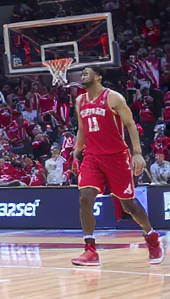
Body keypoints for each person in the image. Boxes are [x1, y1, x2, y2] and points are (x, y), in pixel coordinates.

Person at [70, 67, 162, 266]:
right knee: (85, 197)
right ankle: (90, 249)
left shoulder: (113, 98)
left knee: (128, 205)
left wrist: (137, 153)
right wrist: (77, 153)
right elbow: (82, 130)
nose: (83, 75)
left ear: (99, 77)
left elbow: (130, 124)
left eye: (87, 72)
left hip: (116, 157)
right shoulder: (79, 101)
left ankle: (151, 236)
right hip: (92, 156)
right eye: (82, 73)